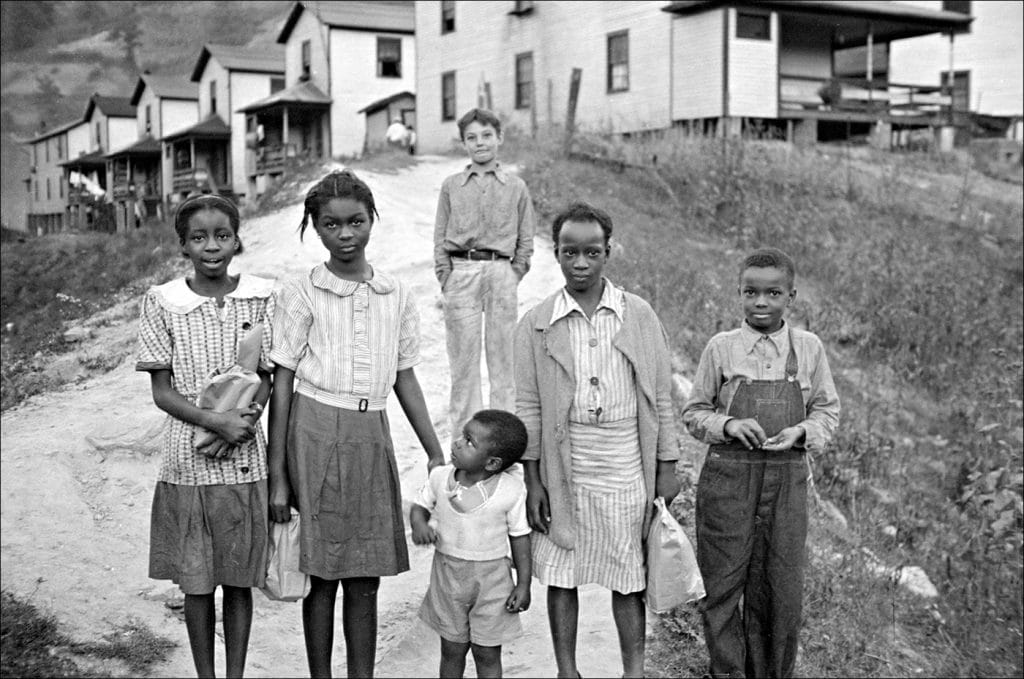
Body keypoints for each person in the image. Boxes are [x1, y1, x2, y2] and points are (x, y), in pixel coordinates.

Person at [267, 170, 445, 678]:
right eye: (331, 224)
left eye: (356, 222)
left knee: (365, 576)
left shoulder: (395, 294)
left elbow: (404, 376)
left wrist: (433, 451)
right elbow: (282, 382)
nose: (345, 235)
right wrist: (278, 476)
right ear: (315, 228)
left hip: (372, 437)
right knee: (321, 575)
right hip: (314, 432)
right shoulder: (302, 292)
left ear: (372, 221)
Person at [514, 202, 680, 678]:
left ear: (608, 252)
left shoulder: (638, 315)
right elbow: (529, 408)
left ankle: (634, 670)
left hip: (626, 460)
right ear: (556, 254)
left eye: (592, 252)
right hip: (567, 464)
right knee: (563, 573)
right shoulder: (538, 323)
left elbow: (660, 397)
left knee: (628, 574)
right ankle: (568, 670)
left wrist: (665, 465)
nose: (580, 263)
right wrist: (533, 479)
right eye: (569, 253)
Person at [682, 247, 840, 678]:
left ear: (792, 296)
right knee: (722, 584)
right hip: (729, 479)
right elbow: (694, 412)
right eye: (751, 292)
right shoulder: (721, 348)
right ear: (739, 293)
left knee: (779, 589)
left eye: (773, 293)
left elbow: (827, 410)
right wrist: (729, 424)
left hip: (786, 479)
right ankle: (727, 671)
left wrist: (802, 432)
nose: (761, 302)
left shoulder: (808, 349)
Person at [136, 192, 275, 678]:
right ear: (183, 246)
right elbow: (161, 390)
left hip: (244, 458)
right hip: (187, 461)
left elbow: (268, 375)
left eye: (222, 236)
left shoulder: (262, 296)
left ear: (237, 241)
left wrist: (247, 420)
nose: (211, 246)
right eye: (199, 237)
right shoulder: (163, 302)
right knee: (197, 583)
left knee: (238, 582)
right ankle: (206, 674)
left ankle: (234, 673)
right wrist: (215, 422)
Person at [434, 107, 536, 439]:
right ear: (463, 143)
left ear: (500, 138)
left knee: (503, 362)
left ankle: (501, 442)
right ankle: (465, 442)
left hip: (501, 271)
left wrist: (514, 271)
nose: (480, 144)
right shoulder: (452, 186)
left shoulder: (516, 186)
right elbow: (439, 236)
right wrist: (447, 276)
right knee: (463, 364)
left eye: (487, 136)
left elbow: (526, 237)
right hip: (461, 272)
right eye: (472, 138)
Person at [410, 409, 533, 679]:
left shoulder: (510, 490)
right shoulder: (441, 477)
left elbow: (520, 538)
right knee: (452, 649)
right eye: (462, 435)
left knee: (487, 653)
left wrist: (524, 584)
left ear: (492, 463)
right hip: (448, 577)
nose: (457, 443)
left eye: (469, 441)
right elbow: (420, 506)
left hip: (492, 581)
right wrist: (419, 525)